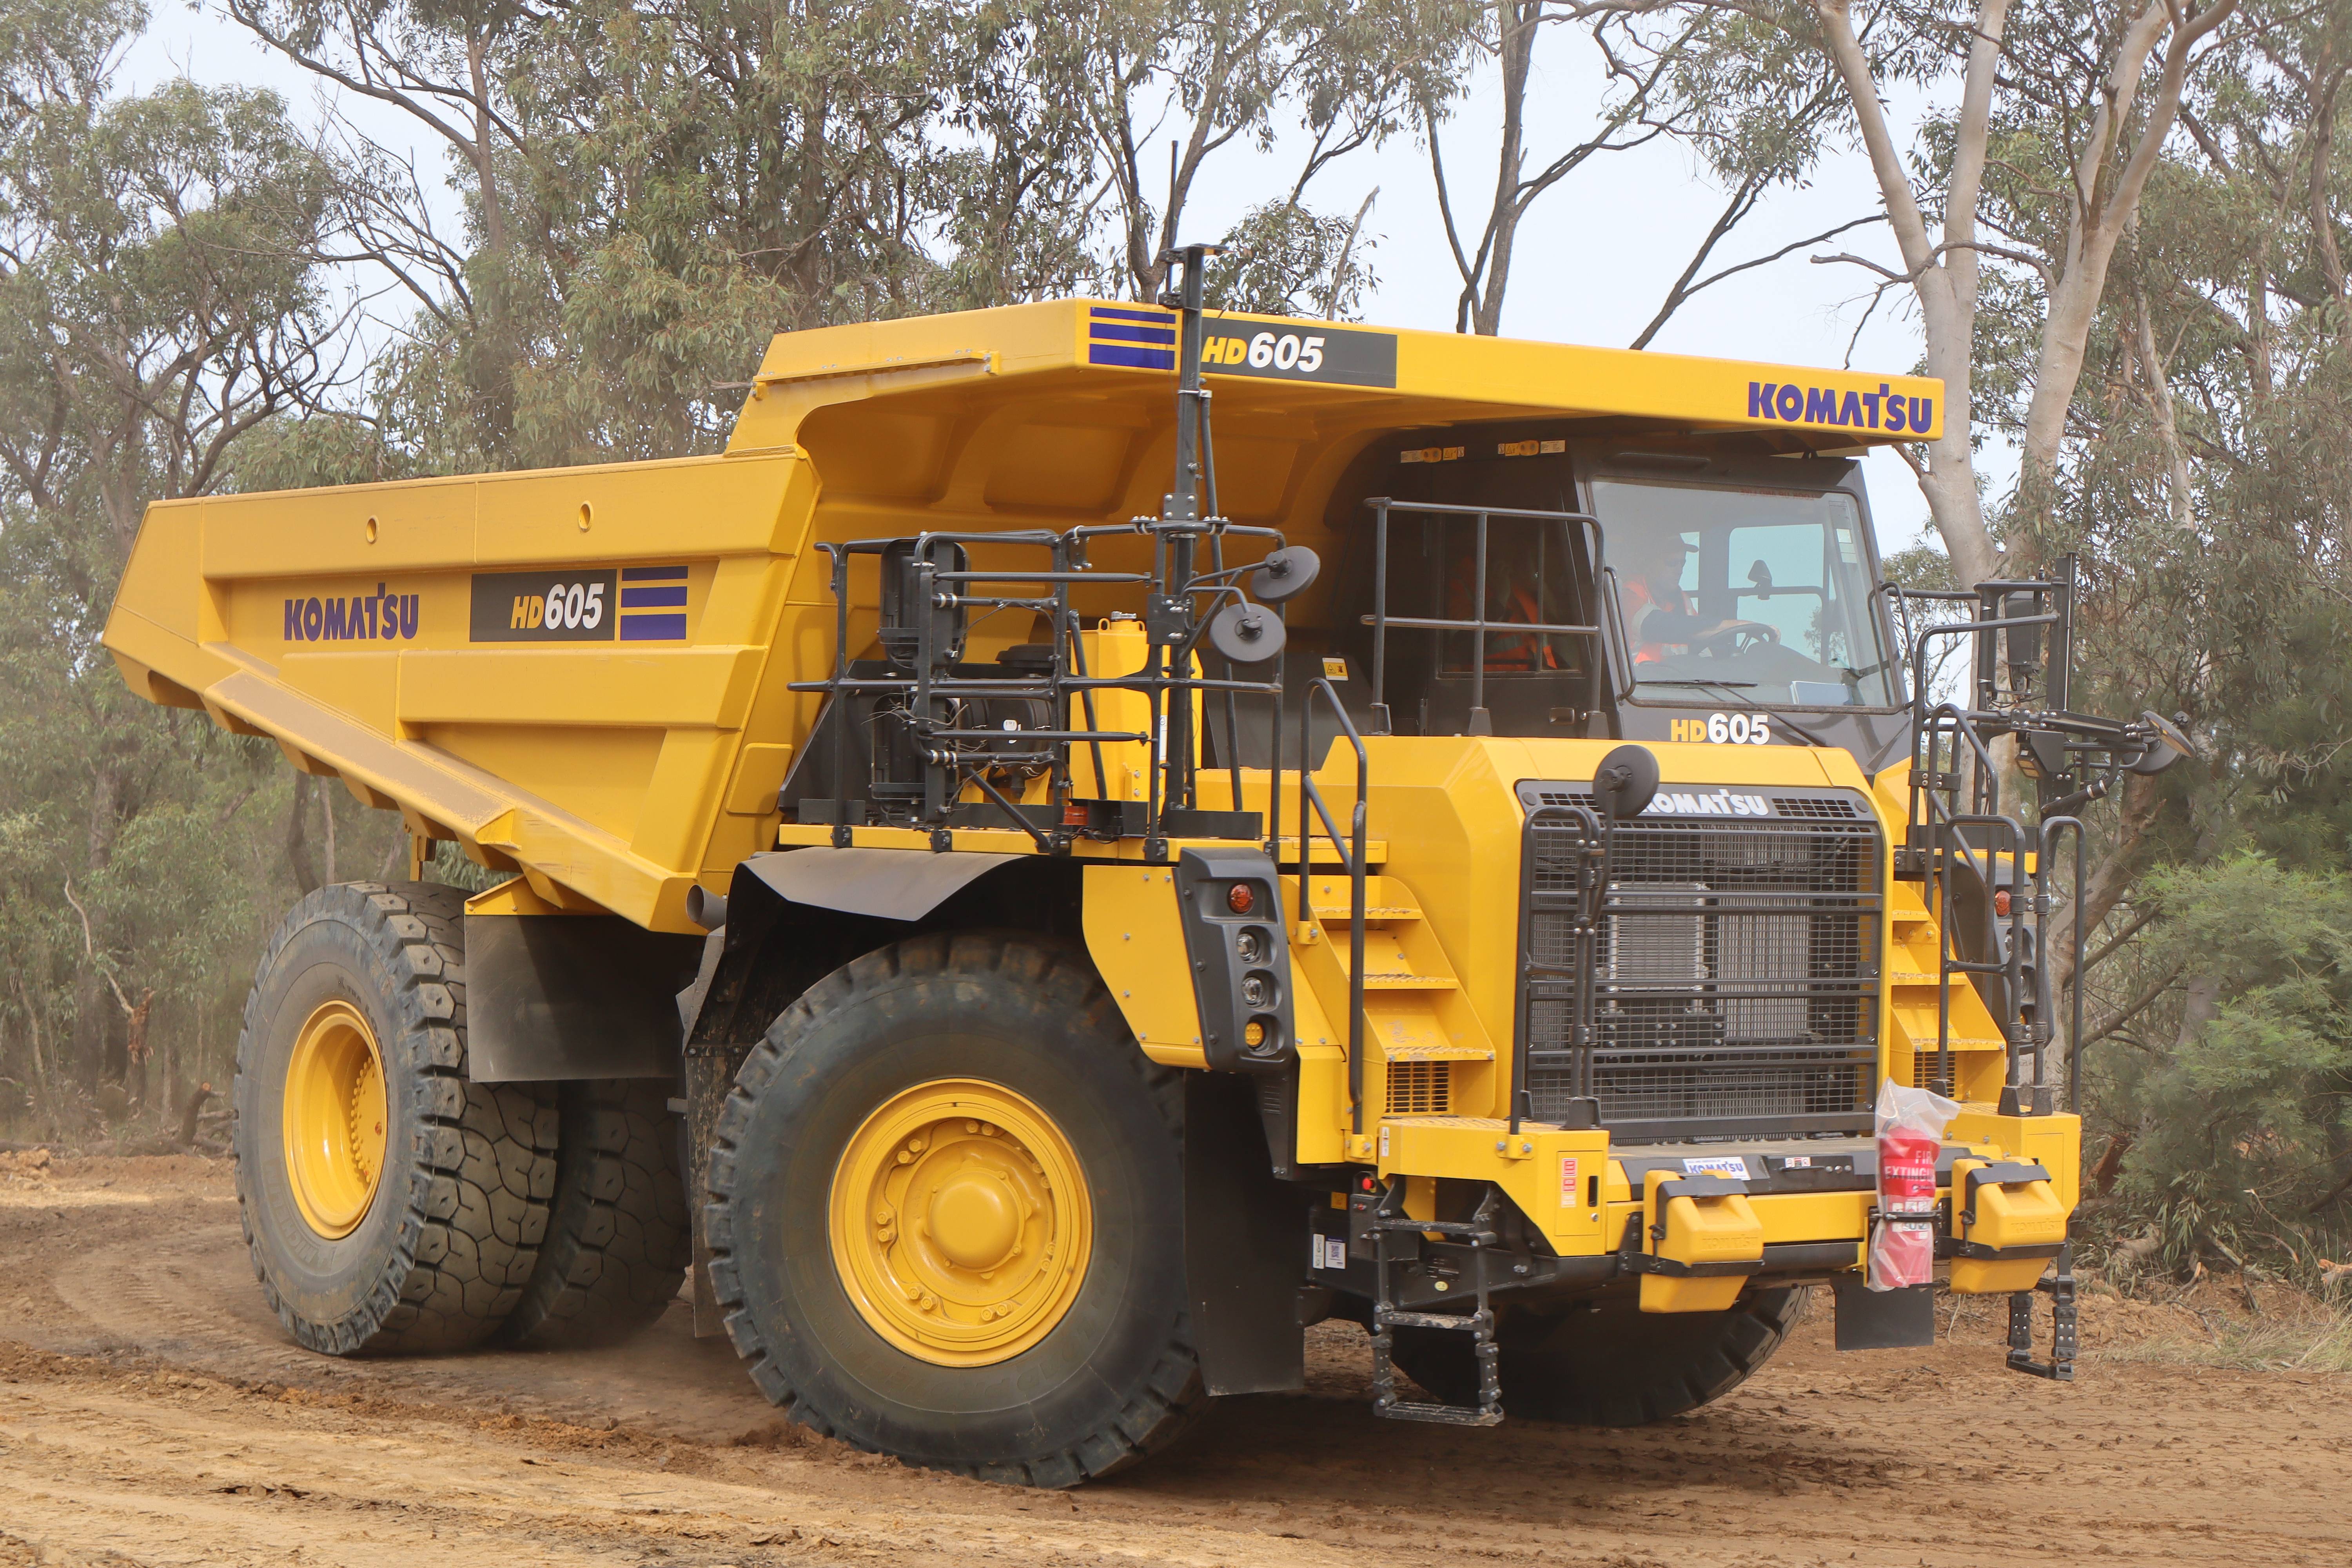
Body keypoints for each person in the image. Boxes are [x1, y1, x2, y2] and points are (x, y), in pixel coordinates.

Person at [1615, 532, 1774, 663]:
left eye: (1682, 564)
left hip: (1674, 687)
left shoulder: (1683, 602)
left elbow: (1702, 643)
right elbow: (1664, 626)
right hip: (1638, 690)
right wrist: (1739, 625)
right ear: (1649, 563)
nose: (1679, 570)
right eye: (1672, 563)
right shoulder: (1629, 595)